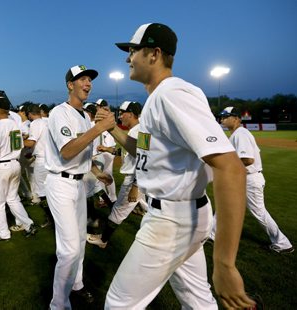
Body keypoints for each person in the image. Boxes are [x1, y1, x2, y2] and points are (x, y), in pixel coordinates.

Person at [96, 23, 256, 309]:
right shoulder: (158, 97)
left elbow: (230, 167)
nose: (127, 58)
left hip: (172, 218)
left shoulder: (172, 93)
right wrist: (111, 129)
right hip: (181, 213)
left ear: (154, 54)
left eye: (133, 50)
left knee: (119, 303)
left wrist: (225, 264)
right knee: (197, 300)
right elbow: (142, 149)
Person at [45, 65, 115, 309]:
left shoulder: (84, 116)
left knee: (80, 244)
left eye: (90, 79)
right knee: (69, 249)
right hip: (60, 182)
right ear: (70, 85)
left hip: (78, 184)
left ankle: (76, 284)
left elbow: (86, 153)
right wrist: (99, 128)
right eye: (82, 79)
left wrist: (98, 172)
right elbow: (67, 151)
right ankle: (58, 304)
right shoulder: (59, 113)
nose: (88, 83)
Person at [210, 106, 294, 254]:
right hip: (242, 179)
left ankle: (282, 243)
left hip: (250, 180)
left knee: (259, 212)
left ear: (236, 118)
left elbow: (248, 159)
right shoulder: (236, 134)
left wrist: (226, 167)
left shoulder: (241, 134)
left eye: (225, 116)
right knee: (224, 205)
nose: (222, 119)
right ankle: (211, 234)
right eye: (221, 117)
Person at [87, 101, 148, 249]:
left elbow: (145, 159)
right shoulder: (137, 130)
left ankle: (103, 240)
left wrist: (135, 185)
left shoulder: (139, 131)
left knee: (117, 212)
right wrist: (109, 150)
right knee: (151, 208)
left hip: (135, 178)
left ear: (132, 114)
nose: (120, 116)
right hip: (141, 179)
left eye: (122, 113)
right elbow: (130, 154)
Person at [0, 96, 37, 241]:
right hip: (15, 163)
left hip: (3, 166)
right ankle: (28, 224)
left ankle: (4, 234)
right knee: (13, 198)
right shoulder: (15, 124)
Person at [23, 103, 53, 228]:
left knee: (41, 193)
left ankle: (50, 218)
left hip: (42, 161)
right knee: (52, 191)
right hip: (53, 160)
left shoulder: (35, 123)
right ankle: (55, 217)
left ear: (30, 114)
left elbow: (31, 142)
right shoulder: (48, 120)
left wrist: (16, 140)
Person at [96, 99, 118, 203]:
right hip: (108, 150)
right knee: (106, 175)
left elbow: (106, 138)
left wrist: (104, 148)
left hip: (106, 150)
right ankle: (111, 197)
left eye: (98, 106)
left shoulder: (105, 119)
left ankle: (108, 197)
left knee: (103, 175)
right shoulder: (108, 117)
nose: (96, 108)